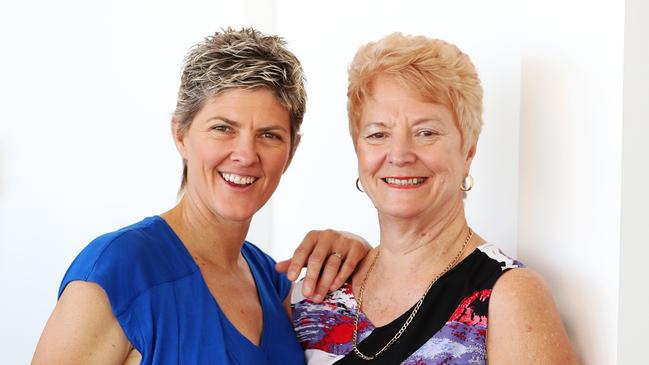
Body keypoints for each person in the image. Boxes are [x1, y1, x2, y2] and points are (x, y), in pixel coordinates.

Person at [32, 28, 370, 365]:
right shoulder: (117, 271)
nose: (246, 154)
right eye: (223, 128)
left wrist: (357, 250)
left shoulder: (274, 282)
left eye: (269, 135)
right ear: (180, 134)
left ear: (291, 151)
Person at [292, 33, 580, 364]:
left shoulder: (508, 298)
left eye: (426, 132)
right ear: (358, 150)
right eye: (378, 134)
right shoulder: (313, 296)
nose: (399, 155)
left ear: (468, 151)